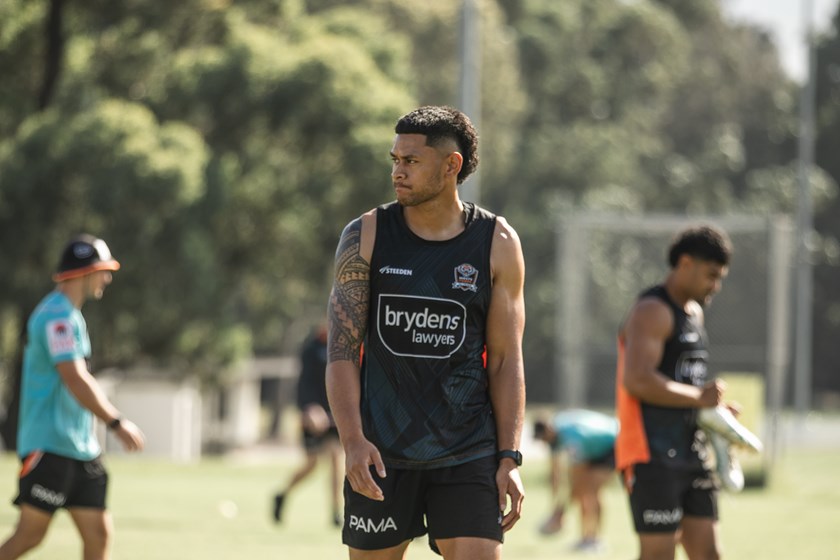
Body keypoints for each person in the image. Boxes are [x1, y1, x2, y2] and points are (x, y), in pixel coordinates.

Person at [325, 106, 526, 560]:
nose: (398, 172)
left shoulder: (497, 242)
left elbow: (506, 359)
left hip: (468, 450)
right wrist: (353, 442)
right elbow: (341, 351)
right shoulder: (366, 235)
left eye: (411, 161)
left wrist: (509, 457)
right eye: (395, 160)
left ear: (451, 165)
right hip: (382, 454)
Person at [0, 234, 145, 560]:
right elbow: (74, 378)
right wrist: (116, 422)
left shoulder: (70, 315)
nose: (107, 279)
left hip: (80, 448)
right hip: (49, 446)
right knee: (30, 535)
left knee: (98, 532)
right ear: (85, 271)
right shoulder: (57, 317)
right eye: (103, 270)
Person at [615, 225, 733, 560]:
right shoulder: (652, 310)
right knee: (658, 555)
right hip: (651, 454)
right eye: (711, 275)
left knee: (709, 553)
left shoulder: (694, 313)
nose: (716, 285)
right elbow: (636, 380)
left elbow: (687, 387)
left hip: (692, 453)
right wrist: (700, 398)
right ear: (684, 264)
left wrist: (714, 411)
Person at [272, 322, 343, 527]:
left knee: (336, 460)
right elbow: (304, 383)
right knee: (311, 465)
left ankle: (335, 513)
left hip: (336, 415)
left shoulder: (345, 344)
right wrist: (309, 408)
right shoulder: (312, 348)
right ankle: (282, 494)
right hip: (313, 416)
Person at [532, 409, 618, 554]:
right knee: (584, 494)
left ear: (548, 430)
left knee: (591, 490)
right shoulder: (555, 435)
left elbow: (577, 481)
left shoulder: (572, 438)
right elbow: (555, 474)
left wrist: (560, 512)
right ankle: (585, 538)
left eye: (544, 439)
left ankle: (596, 540)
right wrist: (554, 508)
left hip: (612, 445)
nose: (544, 443)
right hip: (594, 448)